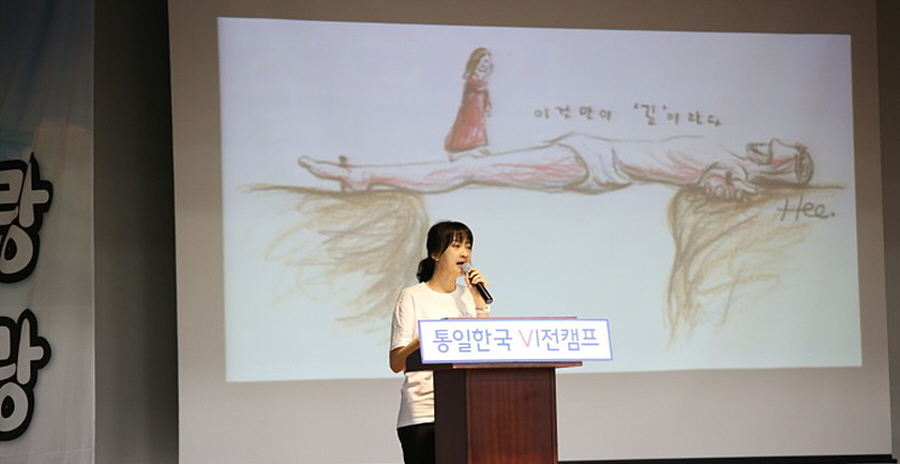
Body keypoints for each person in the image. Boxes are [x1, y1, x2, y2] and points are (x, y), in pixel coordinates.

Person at [298, 134, 813, 202]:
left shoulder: (733, 170)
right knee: (475, 166)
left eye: (788, 151)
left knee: (470, 172)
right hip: (588, 154)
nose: (780, 142)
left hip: (589, 162)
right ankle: (364, 175)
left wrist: (735, 186)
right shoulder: (733, 156)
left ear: (783, 166)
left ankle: (363, 176)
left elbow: (720, 188)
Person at [389, 221, 491, 464]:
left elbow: (487, 352)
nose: (464, 253)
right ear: (435, 253)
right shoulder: (412, 296)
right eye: (456, 246)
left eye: (468, 246)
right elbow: (396, 362)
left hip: (464, 411)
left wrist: (480, 304)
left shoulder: (471, 297)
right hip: (423, 413)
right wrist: (427, 338)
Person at [444, 48, 493, 159]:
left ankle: (477, 145)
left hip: (479, 107)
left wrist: (487, 105)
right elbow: (478, 87)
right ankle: (459, 149)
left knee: (478, 125)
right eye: (483, 61)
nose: (485, 64)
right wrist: (486, 78)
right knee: (468, 126)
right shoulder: (472, 76)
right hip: (470, 107)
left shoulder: (483, 76)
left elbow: (485, 92)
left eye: (487, 61)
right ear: (476, 61)